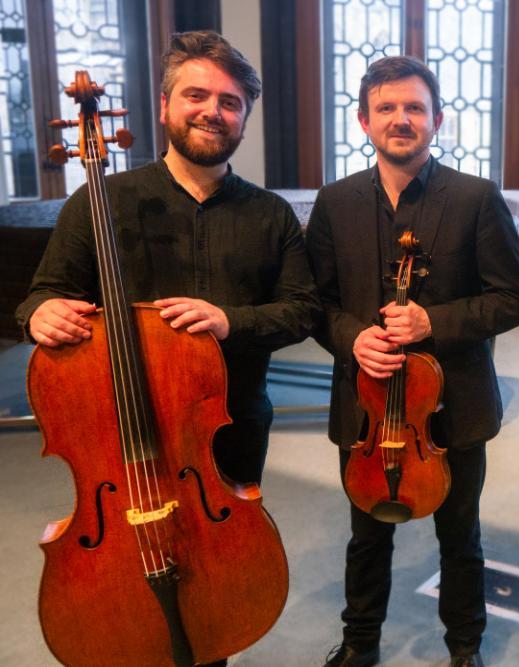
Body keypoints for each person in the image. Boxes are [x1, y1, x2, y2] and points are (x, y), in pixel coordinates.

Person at [305, 56, 519, 667]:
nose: (401, 119)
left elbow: (514, 298)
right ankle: (360, 643)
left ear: (437, 120)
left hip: (450, 406)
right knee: (366, 535)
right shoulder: (334, 202)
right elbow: (315, 302)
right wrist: (354, 337)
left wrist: (436, 321)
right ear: (363, 120)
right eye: (387, 108)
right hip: (366, 405)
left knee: (460, 536)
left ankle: (464, 648)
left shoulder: (476, 198)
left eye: (414, 108)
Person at [18, 30, 319, 488]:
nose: (212, 112)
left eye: (230, 102)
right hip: (125, 425)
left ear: (244, 118)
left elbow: (302, 312)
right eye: (195, 95)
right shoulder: (100, 199)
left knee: (233, 551)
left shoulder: (270, 213)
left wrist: (228, 321)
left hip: (235, 422)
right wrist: (40, 312)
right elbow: (42, 295)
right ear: (164, 106)